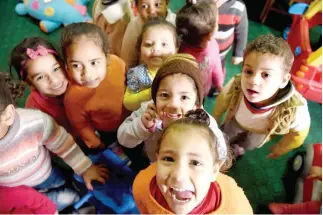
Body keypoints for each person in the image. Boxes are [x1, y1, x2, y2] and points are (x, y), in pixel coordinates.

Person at [0, 72, 108, 211]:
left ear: (8, 115)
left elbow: (62, 143)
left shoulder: (34, 122)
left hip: (47, 175)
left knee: (70, 193)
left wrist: (85, 168)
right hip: (12, 194)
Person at [132, 109, 253, 214]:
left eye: (195, 162)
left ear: (214, 170)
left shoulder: (236, 207)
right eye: (168, 159)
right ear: (157, 159)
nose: (178, 176)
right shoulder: (142, 187)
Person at [212, 34, 311, 158]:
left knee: (250, 143)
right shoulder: (235, 86)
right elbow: (221, 102)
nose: (253, 80)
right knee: (226, 135)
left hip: (261, 132)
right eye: (248, 71)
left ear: (283, 81)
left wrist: (282, 147)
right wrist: (214, 121)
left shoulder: (296, 108)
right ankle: (223, 148)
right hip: (236, 120)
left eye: (266, 75)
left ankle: (239, 149)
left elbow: (299, 133)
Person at [118, 54, 227, 164]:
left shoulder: (203, 121)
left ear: (196, 104)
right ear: (155, 97)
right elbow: (123, 138)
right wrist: (142, 125)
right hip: (154, 164)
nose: (173, 105)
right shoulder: (149, 111)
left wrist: (203, 134)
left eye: (184, 97)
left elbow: (221, 154)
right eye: (165, 95)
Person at [60, 22, 128, 151]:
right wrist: (96, 143)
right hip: (110, 132)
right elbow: (81, 126)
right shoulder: (73, 97)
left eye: (94, 63)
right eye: (77, 65)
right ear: (66, 66)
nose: (88, 74)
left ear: (106, 58)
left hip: (134, 117)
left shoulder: (117, 63)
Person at [9, 37, 78, 140]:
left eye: (56, 69)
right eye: (40, 77)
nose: (54, 80)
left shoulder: (80, 79)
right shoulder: (34, 110)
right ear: (29, 83)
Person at [124, 18, 179, 111]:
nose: (155, 49)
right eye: (148, 44)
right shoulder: (137, 74)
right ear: (140, 48)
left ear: (176, 50)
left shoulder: (179, 73)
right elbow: (127, 103)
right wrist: (149, 93)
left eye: (164, 44)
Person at [177, 0, 223, 97]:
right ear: (210, 35)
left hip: (186, 93)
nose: (218, 25)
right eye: (217, 24)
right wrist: (219, 84)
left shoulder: (178, 49)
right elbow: (216, 67)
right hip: (196, 92)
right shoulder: (213, 47)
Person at [120, 0, 176, 68]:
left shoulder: (177, 23)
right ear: (137, 7)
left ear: (167, 3)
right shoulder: (134, 26)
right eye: (144, 6)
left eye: (157, 5)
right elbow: (128, 62)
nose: (152, 11)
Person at [213, 0, 248, 72]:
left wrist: (239, 53)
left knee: (217, 72)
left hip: (221, 54)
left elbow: (242, 31)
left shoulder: (238, 7)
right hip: (198, 48)